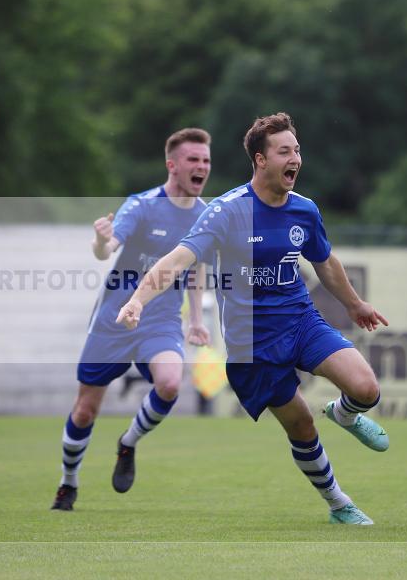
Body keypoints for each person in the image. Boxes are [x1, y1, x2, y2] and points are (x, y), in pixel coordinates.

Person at [116, 113, 389, 525]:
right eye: (285, 151)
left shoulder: (305, 210)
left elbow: (325, 262)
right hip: (253, 345)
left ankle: (345, 413)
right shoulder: (227, 211)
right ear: (261, 160)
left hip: (301, 321)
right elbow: (177, 259)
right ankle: (338, 503)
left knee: (367, 388)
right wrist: (138, 299)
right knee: (300, 427)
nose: (295, 157)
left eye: (297, 150)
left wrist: (354, 304)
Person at [51, 128, 212, 511]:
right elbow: (106, 250)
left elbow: (196, 267)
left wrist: (196, 318)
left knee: (171, 383)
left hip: (161, 321)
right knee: (86, 409)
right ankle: (68, 482)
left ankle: (128, 443)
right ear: (172, 165)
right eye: (193, 159)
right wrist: (99, 240)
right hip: (113, 321)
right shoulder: (141, 206)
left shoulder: (207, 215)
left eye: (206, 160)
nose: (201, 167)